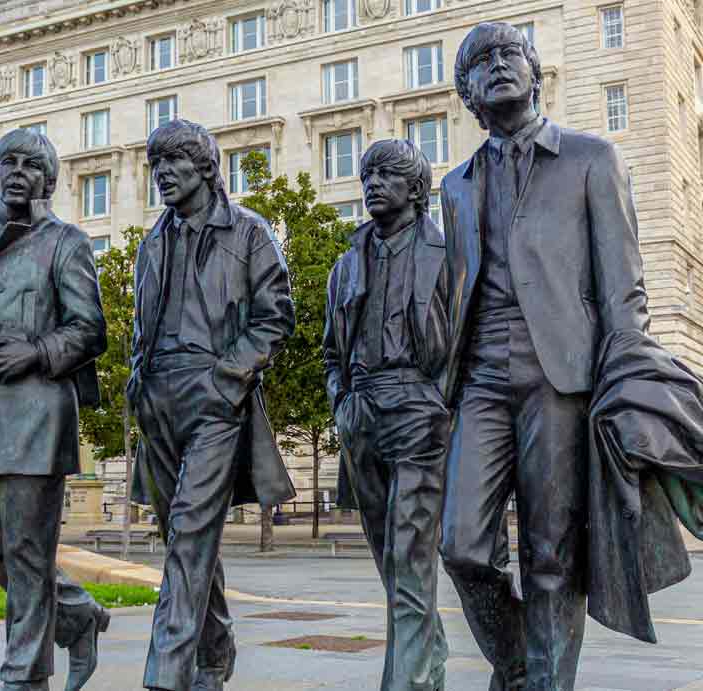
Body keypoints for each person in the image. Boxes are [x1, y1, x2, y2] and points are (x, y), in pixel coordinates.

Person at [438, 22, 650, 691]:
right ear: (467, 93)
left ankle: (549, 682)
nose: (498, 66)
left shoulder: (592, 159)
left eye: (510, 55)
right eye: (481, 62)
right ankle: (523, 664)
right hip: (481, 379)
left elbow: (624, 289)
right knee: (462, 546)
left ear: (535, 72)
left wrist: (626, 382)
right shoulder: (456, 184)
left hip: (562, 376)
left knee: (551, 553)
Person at [0, 129, 110, 691]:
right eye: (8, 161)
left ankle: (23, 677)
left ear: (48, 182)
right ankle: (78, 615)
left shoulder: (65, 242)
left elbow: (89, 330)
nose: (17, 171)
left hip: (34, 413)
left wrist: (33, 351)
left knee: (28, 553)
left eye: (32, 166)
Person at [128, 119, 295, 691]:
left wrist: (228, 378)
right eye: (155, 166)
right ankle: (215, 648)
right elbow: (140, 327)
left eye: (173, 163)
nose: (162, 175)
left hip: (216, 394)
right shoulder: (151, 243)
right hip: (158, 401)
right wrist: (138, 388)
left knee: (192, 530)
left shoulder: (249, 232)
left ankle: (166, 673)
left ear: (204, 168)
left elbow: (276, 316)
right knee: (183, 533)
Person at [323, 139, 450, 691]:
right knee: (390, 562)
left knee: (409, 554)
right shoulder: (347, 263)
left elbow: (468, 340)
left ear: (417, 190)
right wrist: (341, 402)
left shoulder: (448, 254)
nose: (373, 183)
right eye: (368, 174)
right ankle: (428, 660)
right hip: (362, 414)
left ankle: (410, 683)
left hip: (419, 410)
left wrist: (440, 401)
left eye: (389, 174)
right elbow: (332, 349)